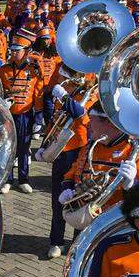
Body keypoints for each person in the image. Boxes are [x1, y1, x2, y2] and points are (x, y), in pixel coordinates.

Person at [37, 70, 94, 262]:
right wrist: (45, 145)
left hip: (79, 149)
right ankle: (56, 241)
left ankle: (78, 242)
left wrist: (64, 96)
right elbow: (56, 121)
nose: (62, 79)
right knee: (57, 198)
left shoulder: (90, 92)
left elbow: (81, 115)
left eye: (66, 75)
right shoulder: (64, 90)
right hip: (61, 150)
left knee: (80, 197)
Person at [0, 29, 44, 195]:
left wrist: (39, 115)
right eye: (13, 50)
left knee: (24, 148)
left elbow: (38, 93)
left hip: (25, 115)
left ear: (26, 52)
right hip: (8, 115)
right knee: (9, 148)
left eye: (17, 50)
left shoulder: (34, 70)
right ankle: (7, 180)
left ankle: (23, 179)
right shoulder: (3, 70)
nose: (13, 53)